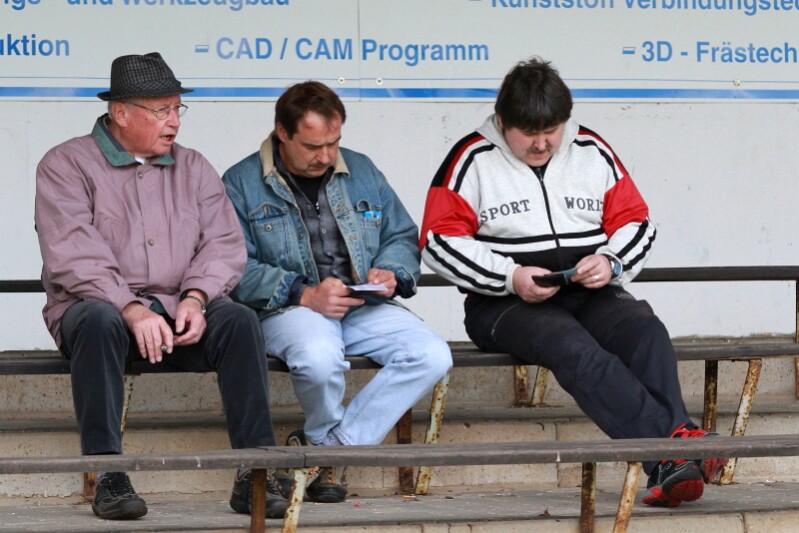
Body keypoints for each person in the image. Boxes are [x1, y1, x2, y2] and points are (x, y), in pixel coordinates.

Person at [419, 57, 727, 508]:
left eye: (551, 131)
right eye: (528, 133)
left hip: (589, 290)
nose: (541, 143)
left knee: (645, 330)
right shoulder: (470, 158)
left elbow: (636, 221)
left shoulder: (592, 149)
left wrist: (611, 262)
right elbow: (438, 242)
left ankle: (671, 457)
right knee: (572, 346)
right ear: (502, 121)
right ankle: (676, 446)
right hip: (502, 304)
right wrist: (510, 276)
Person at [34, 52, 287, 521]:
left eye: (177, 108)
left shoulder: (194, 167)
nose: (174, 121)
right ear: (121, 113)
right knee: (96, 318)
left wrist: (196, 297)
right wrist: (131, 307)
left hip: (176, 314)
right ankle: (108, 473)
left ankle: (255, 469)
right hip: (102, 315)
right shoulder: (66, 164)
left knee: (237, 320)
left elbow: (223, 244)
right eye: (161, 110)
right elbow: (73, 254)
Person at [222, 81, 453, 503]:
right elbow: (232, 268)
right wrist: (303, 293)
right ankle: (327, 455)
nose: (326, 156)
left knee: (433, 355)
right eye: (313, 146)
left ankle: (328, 448)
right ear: (282, 133)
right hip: (287, 309)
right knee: (318, 359)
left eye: (334, 143)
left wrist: (392, 272)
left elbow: (400, 235)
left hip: (362, 303)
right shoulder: (240, 182)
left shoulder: (362, 169)